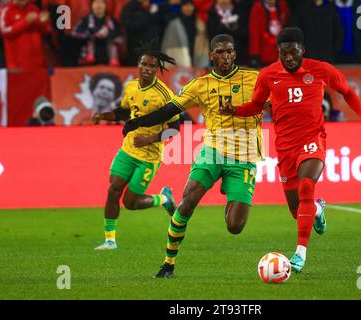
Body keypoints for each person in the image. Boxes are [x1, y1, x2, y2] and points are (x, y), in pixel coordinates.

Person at [220, 27, 361, 273]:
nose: (289, 58)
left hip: (313, 138)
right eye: (284, 53)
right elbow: (256, 106)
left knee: (307, 186)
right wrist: (235, 111)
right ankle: (317, 210)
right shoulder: (268, 75)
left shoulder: (321, 70)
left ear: (302, 50)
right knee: (297, 211)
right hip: (284, 147)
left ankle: (300, 254)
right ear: (279, 53)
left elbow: (347, 92)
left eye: (293, 52)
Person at [122, 34, 264, 278]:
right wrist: (138, 122)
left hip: (245, 155)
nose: (226, 56)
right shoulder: (200, 85)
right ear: (211, 55)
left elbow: (280, 103)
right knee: (188, 201)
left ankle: (230, 191)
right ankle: (168, 263)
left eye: (230, 51)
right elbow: (168, 110)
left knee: (235, 227)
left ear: (235, 54)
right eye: (220, 51)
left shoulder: (256, 79)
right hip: (213, 150)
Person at [92, 46, 181, 250]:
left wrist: (150, 139)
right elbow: (125, 112)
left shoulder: (165, 95)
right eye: (144, 64)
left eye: (152, 66)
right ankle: (110, 240)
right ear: (138, 65)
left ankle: (164, 198)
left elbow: (175, 130)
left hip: (148, 157)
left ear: (158, 69)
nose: (147, 68)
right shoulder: (131, 87)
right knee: (113, 190)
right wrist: (104, 116)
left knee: (131, 203)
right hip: (127, 150)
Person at [0, 0, 51, 70]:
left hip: (37, 63)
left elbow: (45, 30)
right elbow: (4, 31)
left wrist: (43, 22)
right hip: (17, 64)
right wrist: (25, 22)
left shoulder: (34, 9)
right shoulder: (7, 10)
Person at [72, 0, 122, 66]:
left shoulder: (112, 21)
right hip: (88, 61)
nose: (99, 5)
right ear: (91, 6)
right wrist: (92, 34)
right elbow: (75, 34)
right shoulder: (85, 20)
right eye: (96, 2)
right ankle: (90, 56)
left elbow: (121, 37)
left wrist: (109, 34)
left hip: (109, 61)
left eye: (101, 2)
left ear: (105, 6)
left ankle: (113, 59)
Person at [161, 0, 209, 67]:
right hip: (179, 59)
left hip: (196, 56)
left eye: (190, 5)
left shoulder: (200, 24)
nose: (188, 8)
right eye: (185, 5)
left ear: (193, 7)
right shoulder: (173, 24)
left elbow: (204, 44)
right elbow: (168, 44)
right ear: (181, 7)